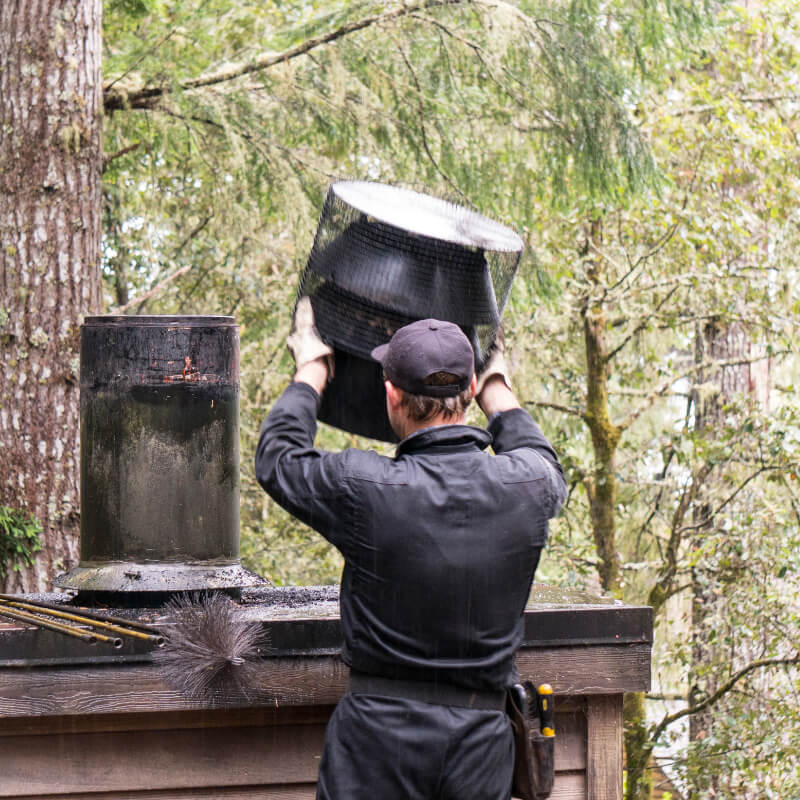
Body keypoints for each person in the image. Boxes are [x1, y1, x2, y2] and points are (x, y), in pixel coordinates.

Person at [255, 297, 566, 800]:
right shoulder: (527, 485)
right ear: (467, 392)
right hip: (481, 750)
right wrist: (497, 389)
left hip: (375, 749)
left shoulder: (363, 487)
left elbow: (277, 458)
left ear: (391, 395)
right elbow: (543, 460)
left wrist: (312, 369)